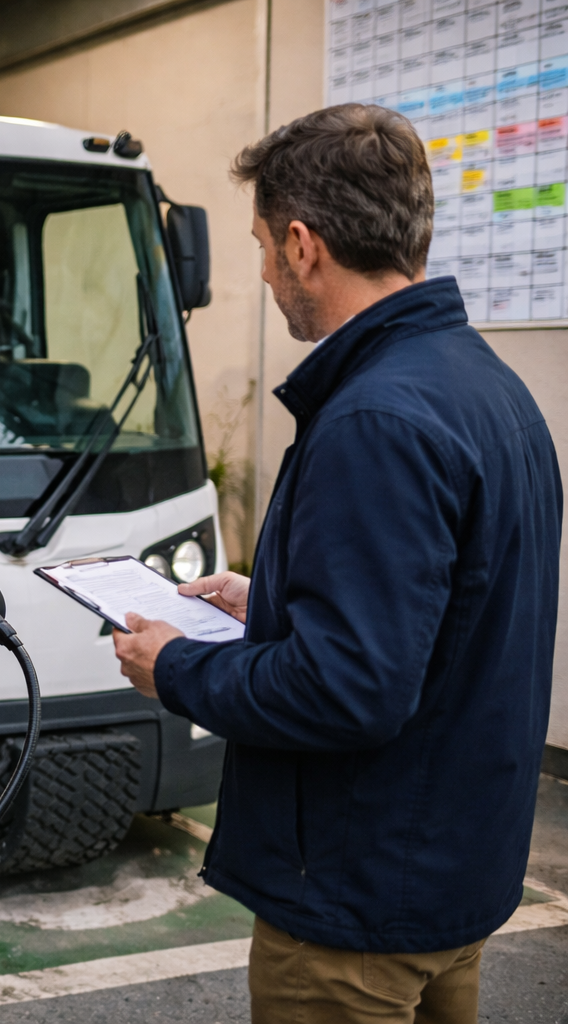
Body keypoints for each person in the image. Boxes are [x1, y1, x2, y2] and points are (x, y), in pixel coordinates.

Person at [113, 104, 561, 1023]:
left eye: (266, 248)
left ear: (305, 243)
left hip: (356, 916)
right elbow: (449, 614)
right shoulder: (489, 389)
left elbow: (348, 689)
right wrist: (268, 600)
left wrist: (179, 667)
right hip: (453, 880)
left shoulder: (374, 421)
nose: (268, 272)